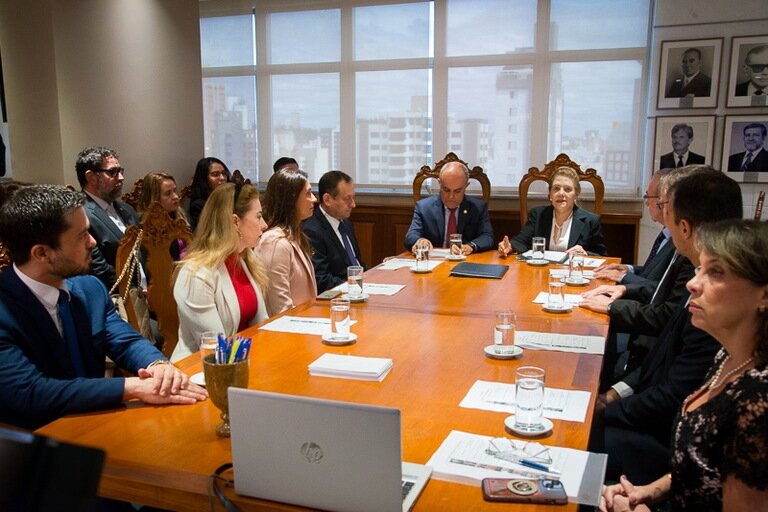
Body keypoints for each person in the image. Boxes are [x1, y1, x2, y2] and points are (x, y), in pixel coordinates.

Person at [0, 185, 207, 431]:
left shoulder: (89, 290)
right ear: (42, 253)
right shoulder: (5, 309)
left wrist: (158, 366)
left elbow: (126, 342)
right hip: (33, 442)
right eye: (81, 235)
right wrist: (132, 388)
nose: (93, 242)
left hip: (98, 423)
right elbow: (31, 392)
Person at [600, 219, 768, 512]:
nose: (692, 283)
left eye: (715, 272)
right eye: (699, 269)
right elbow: (701, 465)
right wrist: (648, 492)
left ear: (764, 295)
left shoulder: (757, 404)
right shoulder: (728, 358)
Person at [593, 168, 742, 486]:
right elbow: (659, 367)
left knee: (571, 444)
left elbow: (671, 397)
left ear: (684, 226)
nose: (695, 284)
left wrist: (602, 411)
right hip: (653, 418)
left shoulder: (717, 308)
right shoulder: (702, 283)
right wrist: (613, 396)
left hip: (663, 442)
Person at [172, 183, 269, 362]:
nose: (264, 225)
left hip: (246, 361)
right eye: (259, 217)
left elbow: (261, 325)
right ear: (235, 221)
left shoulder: (244, 259)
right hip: (201, 371)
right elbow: (217, 347)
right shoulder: (196, 274)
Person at [498, 166, 607, 257]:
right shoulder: (538, 215)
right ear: (550, 194)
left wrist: (585, 254)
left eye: (567, 189)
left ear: (576, 194)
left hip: (572, 275)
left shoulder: (590, 221)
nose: (561, 193)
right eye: (556, 188)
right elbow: (522, 241)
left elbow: (603, 256)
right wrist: (510, 247)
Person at [595, 169, 675, 286]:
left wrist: (623, 278)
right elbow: (651, 272)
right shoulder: (665, 233)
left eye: (648, 196)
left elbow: (659, 289)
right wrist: (627, 269)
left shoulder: (679, 242)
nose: (647, 203)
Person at [76, 146, 140, 290]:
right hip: (119, 297)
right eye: (112, 172)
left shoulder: (127, 209)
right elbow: (99, 268)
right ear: (91, 177)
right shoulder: (80, 215)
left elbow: (144, 252)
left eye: (120, 171)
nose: (121, 178)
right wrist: (135, 292)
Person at [258, 169, 317, 316]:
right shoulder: (275, 242)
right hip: (289, 330)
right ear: (291, 199)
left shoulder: (294, 235)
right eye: (308, 194)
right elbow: (279, 308)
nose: (315, 199)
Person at [404, 161, 494, 255]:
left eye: (457, 191)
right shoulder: (424, 207)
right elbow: (410, 236)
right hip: (434, 262)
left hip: (465, 262)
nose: (451, 196)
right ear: (439, 183)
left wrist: (471, 246)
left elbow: (487, 237)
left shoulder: (478, 208)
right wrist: (420, 240)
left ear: (466, 186)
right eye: (446, 190)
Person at [302, 170, 366, 294]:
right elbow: (321, 280)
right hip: (338, 299)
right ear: (327, 200)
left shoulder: (345, 223)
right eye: (347, 199)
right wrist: (356, 285)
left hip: (359, 290)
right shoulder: (312, 231)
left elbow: (357, 263)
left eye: (353, 197)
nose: (353, 204)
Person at [137, 171, 190, 260]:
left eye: (174, 191)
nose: (176, 196)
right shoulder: (146, 226)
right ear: (154, 198)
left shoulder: (180, 215)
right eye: (168, 193)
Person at [188, 157, 231, 232]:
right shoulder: (198, 206)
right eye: (215, 174)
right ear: (204, 179)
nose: (222, 178)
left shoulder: (230, 198)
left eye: (224, 173)